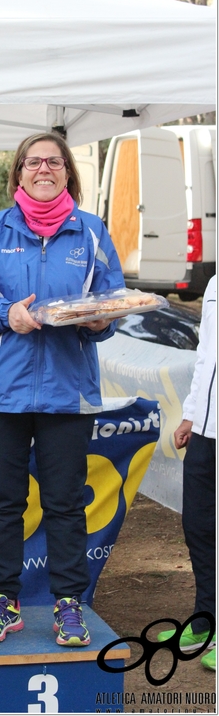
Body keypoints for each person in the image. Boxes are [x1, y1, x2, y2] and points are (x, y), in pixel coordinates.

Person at [0, 131, 125, 647]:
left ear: (68, 172)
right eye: (34, 162)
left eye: (53, 162)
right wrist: (6, 313)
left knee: (65, 503)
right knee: (3, 501)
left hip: (68, 393)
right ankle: (2, 602)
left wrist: (100, 321)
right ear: (19, 173)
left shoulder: (91, 232)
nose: (44, 169)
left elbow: (114, 300)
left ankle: (69, 604)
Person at [157, 275, 216, 671]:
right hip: (207, 430)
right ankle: (205, 619)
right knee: (198, 525)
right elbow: (206, 356)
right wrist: (192, 414)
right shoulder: (214, 284)